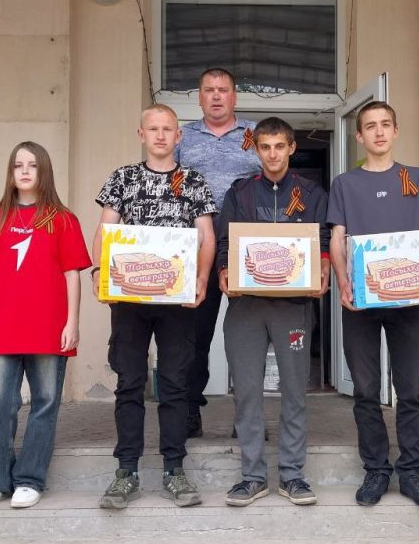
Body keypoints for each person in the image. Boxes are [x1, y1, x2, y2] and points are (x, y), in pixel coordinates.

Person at [91, 103, 216, 509]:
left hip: (176, 300)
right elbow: (106, 229)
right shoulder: (122, 178)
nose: (161, 135)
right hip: (129, 298)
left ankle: (174, 470)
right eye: (153, 129)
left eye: (168, 129)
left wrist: (201, 278)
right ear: (141, 134)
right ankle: (126, 471)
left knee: (175, 383)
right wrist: (99, 272)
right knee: (129, 382)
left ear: (179, 136)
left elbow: (206, 236)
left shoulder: (194, 181)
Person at [327, 101, 419, 508]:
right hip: (360, 300)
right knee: (365, 390)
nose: (378, 132)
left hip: (407, 300)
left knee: (410, 390)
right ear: (359, 136)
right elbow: (337, 237)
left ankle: (411, 472)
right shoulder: (345, 183)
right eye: (370, 126)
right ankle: (376, 470)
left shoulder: (415, 178)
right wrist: (343, 282)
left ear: (396, 131)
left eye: (385, 125)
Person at [215, 117, 331, 507]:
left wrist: (324, 267)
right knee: (247, 393)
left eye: (280, 146)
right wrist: (224, 270)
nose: (273, 154)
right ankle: (252, 477)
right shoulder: (240, 192)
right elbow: (225, 240)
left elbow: (323, 239)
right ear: (256, 149)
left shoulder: (312, 193)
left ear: (292, 148)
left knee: (294, 391)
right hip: (246, 306)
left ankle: (293, 475)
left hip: (293, 307)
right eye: (265, 147)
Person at [0, 142, 91, 510]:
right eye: (18, 165)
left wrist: (72, 322)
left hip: (49, 326)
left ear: (44, 172)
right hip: (4, 328)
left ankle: (29, 479)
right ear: (10, 173)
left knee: (44, 403)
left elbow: (72, 274)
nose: (24, 171)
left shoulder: (63, 219)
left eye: (33, 165)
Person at [175, 68, 262, 438]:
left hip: (246, 248)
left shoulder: (255, 134)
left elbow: (273, 178)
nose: (215, 96)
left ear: (234, 96)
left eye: (222, 90)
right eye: (208, 90)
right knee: (193, 335)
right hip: (197, 247)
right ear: (199, 96)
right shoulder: (182, 136)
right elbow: (169, 184)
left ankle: (249, 418)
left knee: (250, 337)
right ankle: (189, 411)